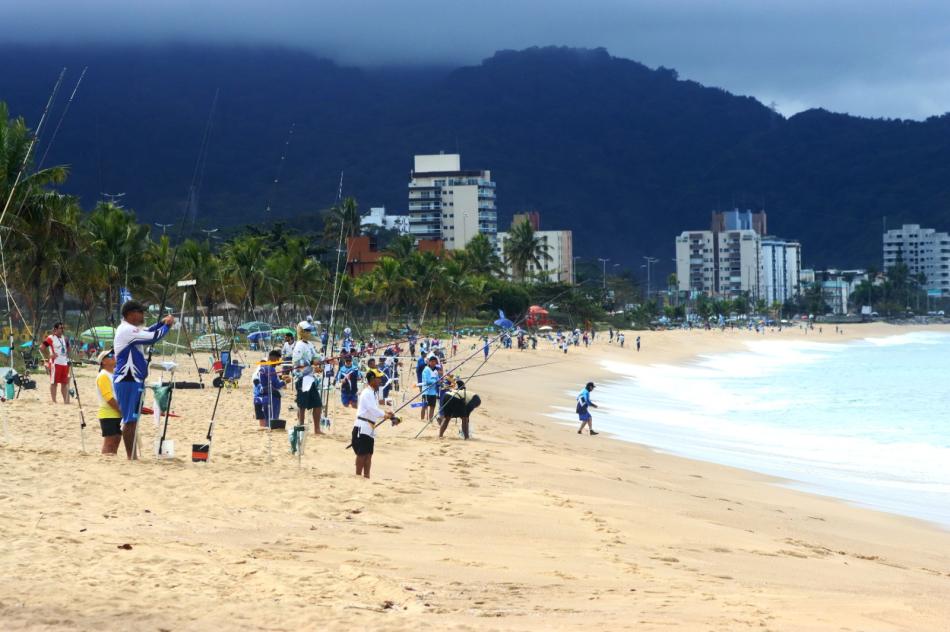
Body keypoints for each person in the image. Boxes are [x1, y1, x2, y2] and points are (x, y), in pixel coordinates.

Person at [113, 301, 174, 459]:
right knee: (129, 421)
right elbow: (153, 337)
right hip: (127, 380)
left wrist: (161, 323)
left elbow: (147, 331)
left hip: (134, 380)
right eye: (141, 312)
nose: (143, 316)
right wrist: (167, 326)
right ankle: (131, 457)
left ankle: (133, 456)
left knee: (133, 421)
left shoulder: (130, 329)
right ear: (131, 314)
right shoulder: (127, 330)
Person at [351, 368, 397, 479]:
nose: (380, 380)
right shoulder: (367, 393)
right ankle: (358, 476)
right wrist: (385, 415)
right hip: (362, 426)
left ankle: (367, 476)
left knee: (369, 454)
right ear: (372, 379)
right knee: (362, 454)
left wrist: (387, 414)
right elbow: (372, 410)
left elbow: (375, 409)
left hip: (370, 427)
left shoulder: (373, 393)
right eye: (378, 378)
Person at [292, 321, 323, 434]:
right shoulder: (299, 345)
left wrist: (321, 362)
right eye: (306, 330)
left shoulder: (310, 344)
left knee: (318, 404)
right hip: (301, 378)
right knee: (302, 405)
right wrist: (311, 362)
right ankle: (300, 427)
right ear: (301, 331)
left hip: (310, 378)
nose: (308, 332)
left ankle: (317, 429)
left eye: (309, 330)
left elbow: (316, 356)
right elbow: (296, 362)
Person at [95, 349, 122, 455]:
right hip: (108, 413)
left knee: (117, 439)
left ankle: (112, 461)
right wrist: (121, 409)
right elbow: (108, 398)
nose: (113, 356)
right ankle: (105, 461)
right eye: (110, 356)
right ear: (103, 361)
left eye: (113, 354)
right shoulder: (103, 375)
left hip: (116, 412)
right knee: (109, 442)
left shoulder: (113, 374)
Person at [40, 322, 71, 404]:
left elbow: (68, 349)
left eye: (63, 328)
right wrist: (49, 355)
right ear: (55, 329)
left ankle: (66, 401)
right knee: (54, 383)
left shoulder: (65, 338)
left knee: (64, 383)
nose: (62, 329)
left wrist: (67, 353)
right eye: (60, 328)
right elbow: (41, 347)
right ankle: (54, 401)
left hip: (64, 363)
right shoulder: (51, 338)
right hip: (55, 363)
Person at [254, 349, 286, 428]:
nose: (278, 362)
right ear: (273, 358)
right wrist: (285, 382)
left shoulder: (262, 368)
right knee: (273, 421)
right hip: (272, 398)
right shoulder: (270, 368)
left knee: (267, 421)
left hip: (263, 397)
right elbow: (276, 385)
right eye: (278, 359)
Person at [420, 354, 442, 425]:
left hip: (433, 392)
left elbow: (438, 380)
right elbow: (427, 381)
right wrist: (435, 381)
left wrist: (440, 381)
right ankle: (422, 420)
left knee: (432, 406)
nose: (433, 363)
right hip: (426, 391)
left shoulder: (436, 371)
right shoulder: (426, 370)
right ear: (429, 362)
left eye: (434, 362)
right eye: (432, 361)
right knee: (424, 406)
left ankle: (430, 421)